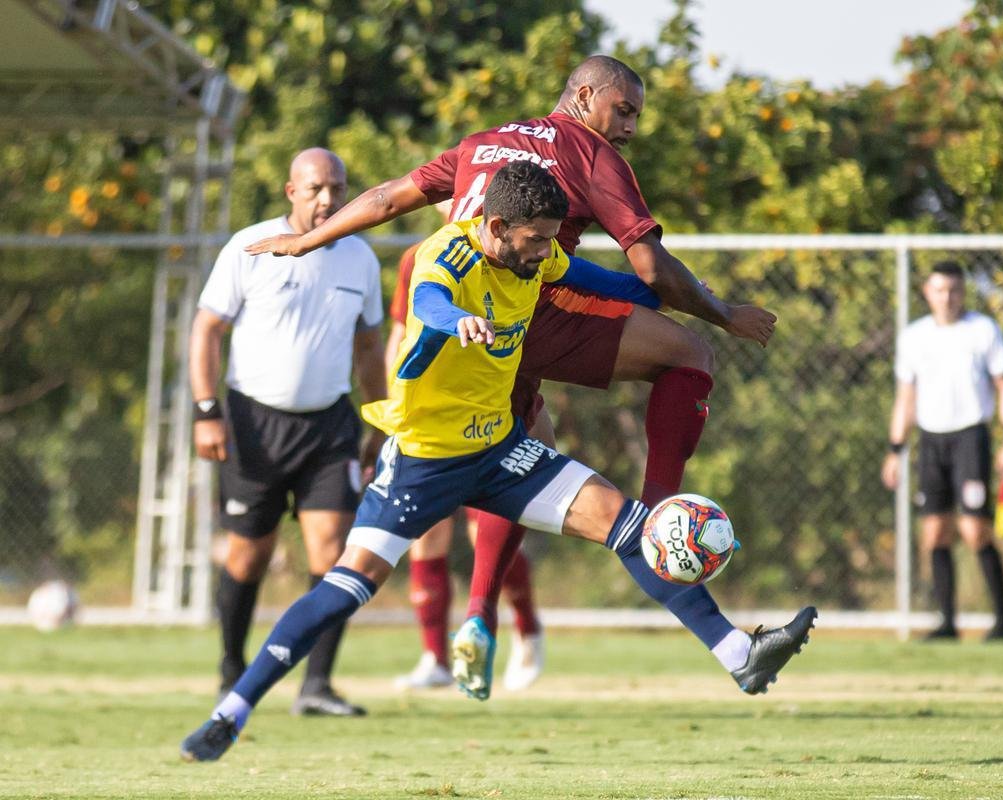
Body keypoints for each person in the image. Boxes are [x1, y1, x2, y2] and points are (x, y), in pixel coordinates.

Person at [180, 162, 816, 762]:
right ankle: (232, 710)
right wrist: (456, 322)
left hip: (499, 448)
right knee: (348, 586)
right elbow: (429, 300)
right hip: (424, 461)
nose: (546, 252)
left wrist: (689, 297)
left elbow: (615, 285)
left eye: (550, 241)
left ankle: (740, 654)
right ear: (495, 228)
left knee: (631, 528)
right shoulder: (446, 254)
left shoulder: (539, 254)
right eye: (536, 240)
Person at [244, 55, 777, 694]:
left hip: (463, 338)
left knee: (527, 456)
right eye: (625, 109)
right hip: (526, 309)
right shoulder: (593, 155)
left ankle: (477, 623)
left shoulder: (484, 142)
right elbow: (650, 266)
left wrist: (308, 240)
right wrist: (722, 312)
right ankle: (663, 520)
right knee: (692, 354)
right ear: (584, 95)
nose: (631, 126)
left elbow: (389, 197)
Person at [189, 147, 388, 716]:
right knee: (249, 556)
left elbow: (369, 347)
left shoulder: (359, 259)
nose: (328, 199)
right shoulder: (249, 248)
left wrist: (379, 421)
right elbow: (206, 330)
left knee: (335, 551)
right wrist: (207, 411)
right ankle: (232, 668)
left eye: (339, 188)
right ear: (291, 192)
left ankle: (316, 685)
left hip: (329, 427)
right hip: (254, 423)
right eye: (317, 188)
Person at [386, 239, 545, 692]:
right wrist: (393, 408)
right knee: (425, 535)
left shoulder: (513, 254)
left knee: (486, 533)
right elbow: (401, 332)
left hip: (489, 417)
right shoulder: (419, 257)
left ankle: (528, 629)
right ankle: (436, 657)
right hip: (432, 419)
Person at [881, 260, 1003, 641]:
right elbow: (906, 397)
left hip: (971, 437)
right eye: (940, 290)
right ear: (928, 292)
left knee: (975, 530)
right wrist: (895, 449)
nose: (948, 298)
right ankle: (947, 623)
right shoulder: (914, 337)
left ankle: (1002, 623)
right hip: (931, 439)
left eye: (955, 290)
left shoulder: (982, 330)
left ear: (963, 292)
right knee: (935, 533)